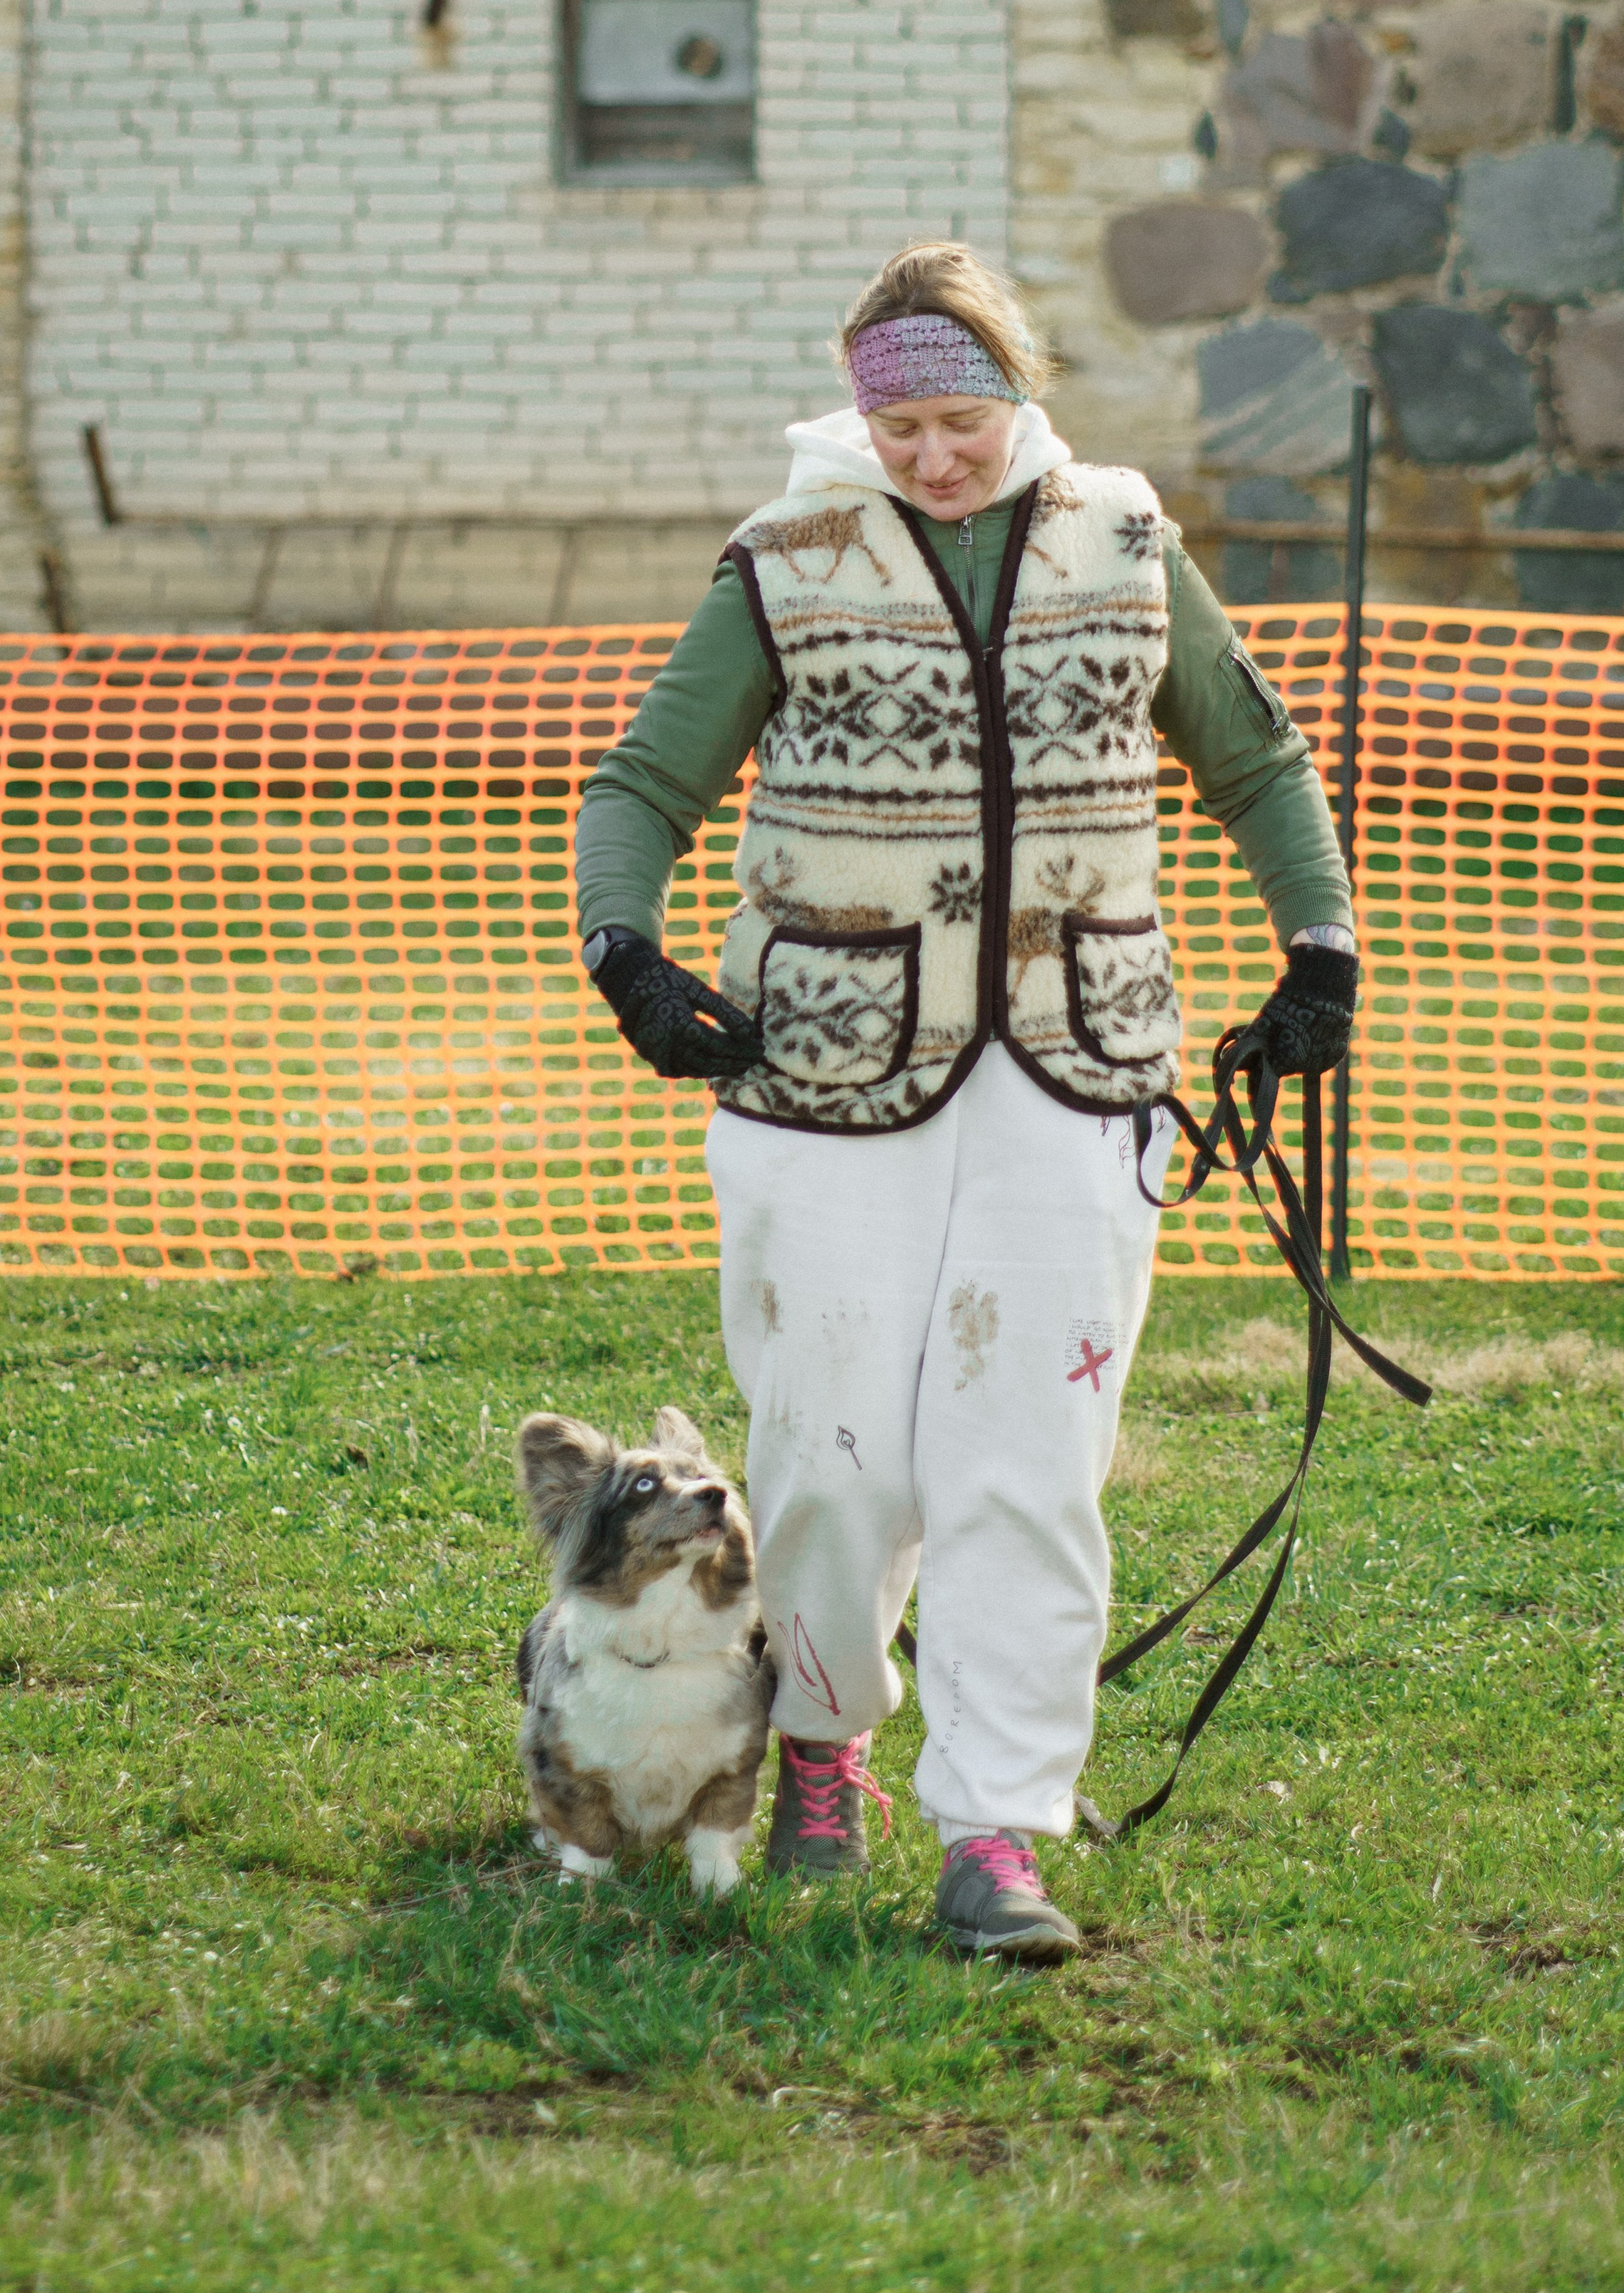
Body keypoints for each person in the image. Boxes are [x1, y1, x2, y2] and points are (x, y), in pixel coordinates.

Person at [573, 241, 1355, 1960]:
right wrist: (625, 952)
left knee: (1027, 1463)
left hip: (1078, 1071)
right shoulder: (785, 560)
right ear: (860, 420)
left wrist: (1318, 950)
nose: (931, 455)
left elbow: (1254, 758)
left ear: (1018, 392)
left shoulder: (1128, 544)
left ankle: (994, 1828)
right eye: (899, 426)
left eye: (960, 418)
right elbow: (642, 783)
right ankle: (821, 1744)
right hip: (821, 1077)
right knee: (832, 1457)